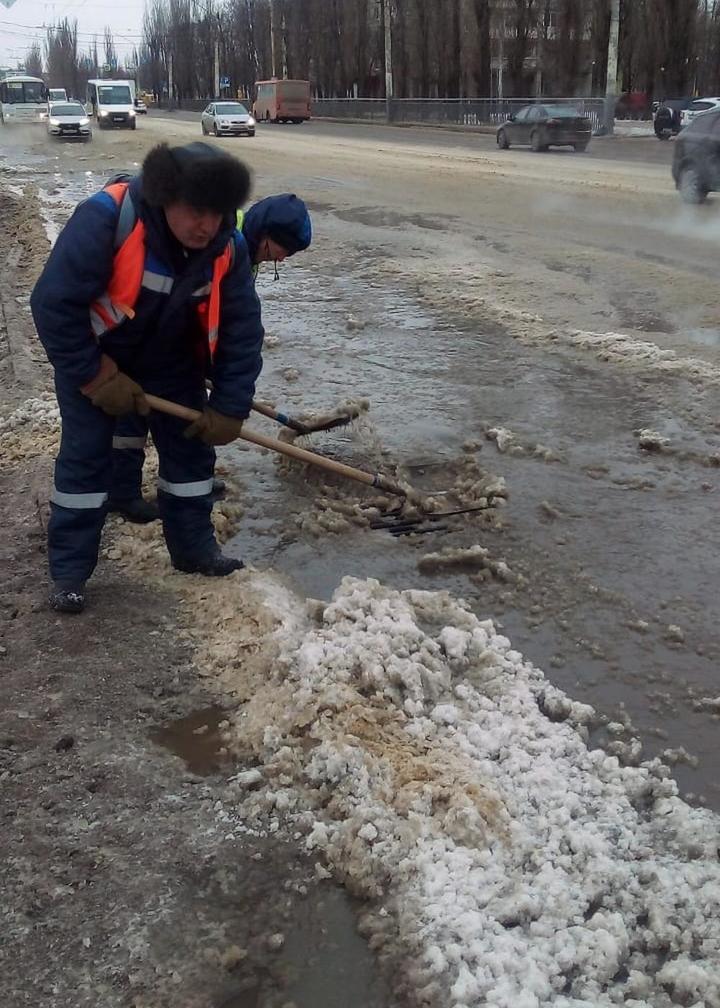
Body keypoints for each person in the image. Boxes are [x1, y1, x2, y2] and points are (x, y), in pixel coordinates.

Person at [31, 141, 264, 614]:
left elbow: (241, 331)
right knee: (85, 462)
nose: (207, 225)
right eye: (196, 211)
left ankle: (194, 551)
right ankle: (70, 573)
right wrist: (94, 376)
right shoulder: (106, 220)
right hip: (96, 357)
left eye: (218, 213)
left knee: (191, 459)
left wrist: (232, 405)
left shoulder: (228, 248)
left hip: (173, 364)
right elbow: (52, 304)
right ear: (164, 198)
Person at [108, 193, 312, 523]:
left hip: (173, 349)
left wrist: (227, 387)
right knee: (133, 421)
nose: (284, 259)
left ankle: (158, 491)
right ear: (265, 234)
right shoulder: (222, 242)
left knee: (159, 424)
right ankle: (124, 495)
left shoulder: (243, 246)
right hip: (146, 344)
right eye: (283, 249)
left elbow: (229, 322)